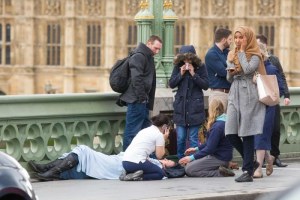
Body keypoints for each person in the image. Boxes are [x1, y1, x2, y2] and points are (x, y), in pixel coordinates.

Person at [225, 26, 266, 182]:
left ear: (248, 38)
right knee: (230, 133)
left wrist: (241, 52)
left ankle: (247, 171)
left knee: (247, 133)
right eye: (235, 38)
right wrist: (231, 70)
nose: (237, 41)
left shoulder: (256, 54)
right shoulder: (232, 54)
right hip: (235, 92)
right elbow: (228, 78)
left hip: (249, 94)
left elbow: (248, 70)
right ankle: (253, 162)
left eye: (241, 37)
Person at [28, 145, 176, 181]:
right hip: (115, 159)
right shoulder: (153, 160)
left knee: (83, 150)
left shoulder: (158, 169)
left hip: (116, 166)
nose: (167, 160)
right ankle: (48, 169)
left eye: (170, 161)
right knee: (81, 153)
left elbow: (143, 172)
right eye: (169, 158)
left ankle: (49, 170)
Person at [118, 35, 163, 151]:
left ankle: (146, 158)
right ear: (148, 44)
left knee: (146, 133)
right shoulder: (139, 56)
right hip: (136, 100)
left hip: (142, 101)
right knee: (132, 132)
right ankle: (126, 160)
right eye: (155, 48)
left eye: (159, 49)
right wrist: (142, 98)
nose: (157, 52)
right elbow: (136, 79)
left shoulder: (148, 56)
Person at [169, 45, 209, 159]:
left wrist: (193, 74)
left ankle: (193, 161)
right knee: (180, 137)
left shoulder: (201, 67)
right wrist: (180, 74)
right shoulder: (177, 67)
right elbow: (171, 83)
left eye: (189, 59)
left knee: (193, 138)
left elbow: (205, 85)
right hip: (181, 108)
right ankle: (180, 160)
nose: (187, 62)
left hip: (195, 108)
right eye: (184, 59)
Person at [256, 34, 290, 167]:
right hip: (259, 101)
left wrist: (286, 94)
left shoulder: (274, 60)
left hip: (273, 99)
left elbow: (281, 77)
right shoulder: (254, 64)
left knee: (275, 129)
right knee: (261, 130)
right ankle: (263, 159)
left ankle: (275, 156)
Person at [178, 99, 235, 177]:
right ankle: (223, 168)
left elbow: (210, 148)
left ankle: (219, 173)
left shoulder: (217, 127)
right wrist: (196, 149)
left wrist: (191, 158)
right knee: (190, 165)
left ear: (211, 110)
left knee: (189, 169)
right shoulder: (223, 122)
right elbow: (211, 143)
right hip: (222, 157)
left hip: (219, 158)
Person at [253, 42, 285, 178]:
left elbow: (281, 89)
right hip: (253, 107)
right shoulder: (252, 70)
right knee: (256, 137)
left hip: (267, 108)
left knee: (261, 136)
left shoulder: (271, 69)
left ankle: (258, 169)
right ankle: (268, 157)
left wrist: (259, 82)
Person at [121, 114, 171, 181]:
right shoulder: (159, 135)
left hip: (125, 162)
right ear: (164, 126)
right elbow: (160, 155)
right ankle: (135, 177)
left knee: (149, 167)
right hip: (136, 162)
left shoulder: (145, 130)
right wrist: (164, 139)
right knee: (160, 173)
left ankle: (129, 173)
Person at [205, 28, 233, 110]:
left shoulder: (227, 52)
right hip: (218, 94)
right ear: (224, 40)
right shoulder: (211, 54)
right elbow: (223, 72)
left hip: (230, 93)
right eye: (230, 39)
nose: (231, 41)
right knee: (218, 121)